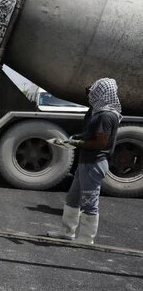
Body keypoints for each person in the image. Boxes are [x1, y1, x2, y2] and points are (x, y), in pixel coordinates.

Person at [46, 78, 122, 244]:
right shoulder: (99, 112)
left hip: (94, 163)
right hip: (86, 162)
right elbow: (94, 136)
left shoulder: (105, 115)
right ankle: (67, 232)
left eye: (94, 90)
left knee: (89, 202)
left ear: (102, 93)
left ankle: (86, 238)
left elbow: (101, 143)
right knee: (73, 199)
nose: (91, 94)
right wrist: (79, 138)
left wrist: (77, 143)